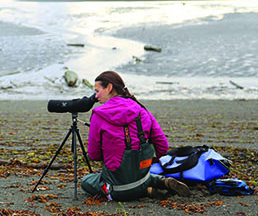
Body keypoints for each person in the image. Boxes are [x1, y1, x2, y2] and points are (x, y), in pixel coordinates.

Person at [81, 71, 190, 201]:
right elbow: (162, 143)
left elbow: (94, 155)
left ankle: (146, 190)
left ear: (109, 88)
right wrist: (150, 161)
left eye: (97, 91)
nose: (95, 96)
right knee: (142, 175)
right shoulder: (140, 109)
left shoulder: (98, 115)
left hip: (117, 189)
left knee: (86, 181)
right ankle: (160, 182)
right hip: (141, 176)